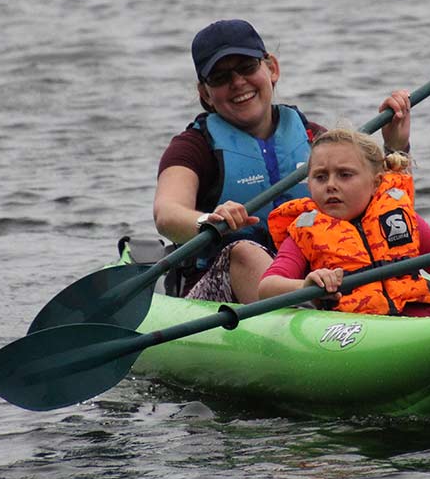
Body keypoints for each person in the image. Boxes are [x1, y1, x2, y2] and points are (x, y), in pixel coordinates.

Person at [153, 19, 411, 304]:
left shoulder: (314, 138)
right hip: (222, 290)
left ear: (271, 68)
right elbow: (167, 214)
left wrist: (396, 147)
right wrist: (209, 221)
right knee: (244, 252)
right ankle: (321, 314)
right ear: (205, 94)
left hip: (313, 275)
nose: (238, 82)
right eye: (220, 77)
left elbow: (382, 202)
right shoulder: (194, 147)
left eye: (248, 67)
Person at [260, 128, 430, 316]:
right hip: (352, 333)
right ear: (309, 185)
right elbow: (267, 288)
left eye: (345, 175)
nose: (331, 184)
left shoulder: (398, 217)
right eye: (321, 177)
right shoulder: (305, 232)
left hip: (419, 325)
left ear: (376, 182)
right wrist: (304, 287)